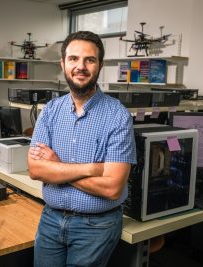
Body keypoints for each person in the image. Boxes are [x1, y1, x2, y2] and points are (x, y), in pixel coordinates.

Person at [28, 31, 137, 267]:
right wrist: (93, 169)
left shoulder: (117, 116)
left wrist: (56, 168)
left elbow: (112, 188)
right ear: (63, 63)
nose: (81, 66)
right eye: (74, 59)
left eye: (89, 59)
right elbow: (36, 170)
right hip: (50, 219)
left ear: (99, 66)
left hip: (97, 226)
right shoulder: (50, 111)